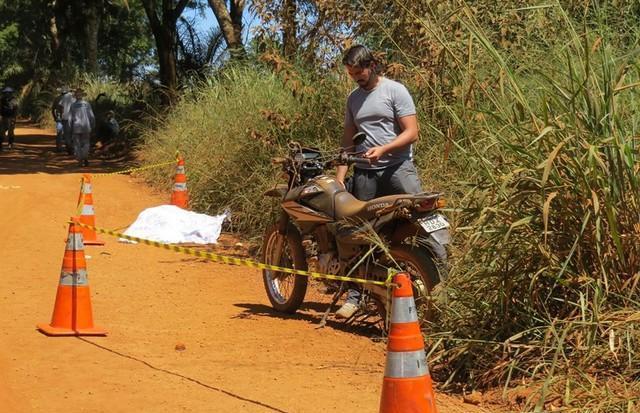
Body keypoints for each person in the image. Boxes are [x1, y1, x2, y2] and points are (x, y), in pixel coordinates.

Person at [335, 45, 423, 319]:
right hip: (364, 174)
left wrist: (384, 150)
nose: (356, 78)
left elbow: (412, 132)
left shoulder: (395, 91)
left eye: (359, 73)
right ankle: (356, 296)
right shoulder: (353, 99)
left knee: (420, 222)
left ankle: (433, 281)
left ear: (372, 65)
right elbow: (348, 142)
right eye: (351, 74)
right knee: (361, 235)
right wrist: (340, 178)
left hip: (398, 170)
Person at [69, 88, 95, 167]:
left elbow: (70, 118)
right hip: (86, 126)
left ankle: (80, 159)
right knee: (86, 142)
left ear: (75, 96)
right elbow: (91, 116)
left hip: (76, 127)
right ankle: (85, 157)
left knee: (77, 144)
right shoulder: (86, 104)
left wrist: (70, 127)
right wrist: (92, 124)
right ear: (82, 96)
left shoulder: (73, 105)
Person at [0, 87, 18, 151]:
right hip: (3, 118)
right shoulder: (2, 100)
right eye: (6, 93)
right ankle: (1, 145)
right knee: (1, 132)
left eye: (9, 93)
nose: (7, 94)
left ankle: (10, 144)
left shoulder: (14, 100)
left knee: (10, 132)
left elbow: (15, 110)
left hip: (11, 118)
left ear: (11, 93)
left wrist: (14, 119)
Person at [58, 86, 76, 155]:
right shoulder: (74, 97)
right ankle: (73, 148)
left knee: (67, 135)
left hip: (65, 118)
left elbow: (61, 107)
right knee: (73, 134)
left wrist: (61, 114)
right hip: (74, 118)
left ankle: (70, 149)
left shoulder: (64, 97)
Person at [51, 88, 66, 152]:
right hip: (67, 118)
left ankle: (59, 147)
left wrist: (54, 117)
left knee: (59, 133)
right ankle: (70, 147)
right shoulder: (69, 99)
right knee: (68, 133)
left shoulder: (57, 98)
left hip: (59, 118)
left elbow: (53, 109)